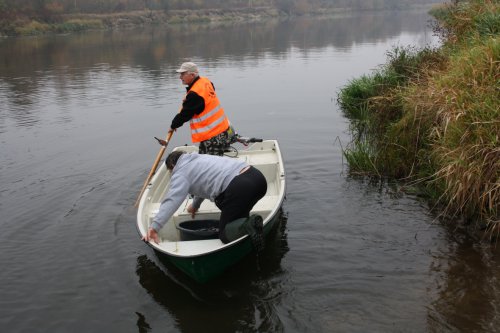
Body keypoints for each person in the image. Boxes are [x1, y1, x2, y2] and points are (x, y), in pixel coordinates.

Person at [142, 151, 267, 250]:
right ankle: (246, 226)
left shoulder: (180, 172)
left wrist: (154, 227)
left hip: (240, 188)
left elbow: (173, 199)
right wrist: (195, 205)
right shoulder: (198, 158)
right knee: (236, 216)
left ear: (173, 166)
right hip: (257, 178)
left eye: (171, 172)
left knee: (224, 235)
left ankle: (250, 225)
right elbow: (202, 184)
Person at [167, 62, 233, 156]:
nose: (180, 77)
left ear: (192, 75)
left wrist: (173, 125)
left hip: (212, 136)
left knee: (209, 166)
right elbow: (209, 91)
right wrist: (190, 99)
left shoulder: (194, 94)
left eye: (183, 74)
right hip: (222, 130)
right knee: (214, 162)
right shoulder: (205, 81)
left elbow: (185, 114)